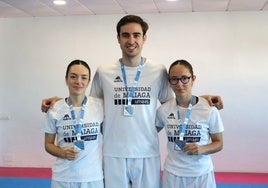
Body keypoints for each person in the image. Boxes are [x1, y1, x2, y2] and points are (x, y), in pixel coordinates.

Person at [41, 15, 224, 188]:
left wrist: (202, 99)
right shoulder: (104, 71)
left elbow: (175, 104)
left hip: (147, 152)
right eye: (125, 35)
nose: (131, 40)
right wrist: (59, 102)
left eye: (136, 35)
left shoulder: (158, 70)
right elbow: (87, 105)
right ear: (118, 38)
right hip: (113, 152)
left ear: (144, 38)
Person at [155, 59, 224, 188]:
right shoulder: (163, 111)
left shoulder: (209, 108)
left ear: (193, 79)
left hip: (202, 174)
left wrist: (202, 149)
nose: (180, 84)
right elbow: (148, 132)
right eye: (174, 79)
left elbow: (219, 143)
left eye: (184, 78)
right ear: (169, 82)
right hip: (173, 174)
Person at [43, 59, 104, 188]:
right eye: (73, 77)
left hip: (93, 177)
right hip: (63, 178)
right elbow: (48, 144)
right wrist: (62, 153)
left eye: (83, 77)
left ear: (89, 81)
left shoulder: (100, 106)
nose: (78, 82)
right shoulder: (54, 109)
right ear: (66, 79)